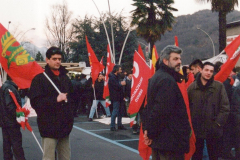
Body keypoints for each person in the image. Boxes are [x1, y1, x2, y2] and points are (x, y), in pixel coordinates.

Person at [143, 45, 191, 160]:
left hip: (163, 141)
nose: (179, 62)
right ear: (165, 61)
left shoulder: (159, 76)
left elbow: (150, 108)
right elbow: (160, 111)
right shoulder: (166, 80)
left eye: (179, 58)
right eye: (175, 59)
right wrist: (150, 133)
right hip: (170, 142)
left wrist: (149, 131)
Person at [28, 46, 74, 160]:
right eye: (54, 58)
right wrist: (55, 100)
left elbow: (73, 98)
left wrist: (70, 116)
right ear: (47, 60)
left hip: (64, 127)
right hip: (48, 127)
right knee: (48, 157)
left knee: (65, 157)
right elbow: (36, 102)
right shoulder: (39, 79)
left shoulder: (65, 78)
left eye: (59, 59)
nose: (58, 61)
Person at [187, 62, 230, 160]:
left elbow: (225, 107)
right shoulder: (192, 88)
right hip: (196, 131)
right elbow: (186, 108)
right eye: (206, 70)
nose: (209, 73)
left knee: (213, 156)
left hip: (213, 131)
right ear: (201, 70)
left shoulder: (219, 87)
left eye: (211, 71)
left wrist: (218, 124)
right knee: (196, 156)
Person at [0, 75, 26, 160]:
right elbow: (10, 107)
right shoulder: (9, 88)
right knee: (17, 146)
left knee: (7, 146)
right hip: (12, 122)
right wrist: (20, 116)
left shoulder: (6, 87)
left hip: (5, 122)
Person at [108, 64, 127, 131]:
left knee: (120, 111)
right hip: (115, 97)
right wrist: (121, 84)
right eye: (120, 69)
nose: (121, 70)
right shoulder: (112, 78)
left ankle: (119, 125)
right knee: (115, 111)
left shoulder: (117, 76)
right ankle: (112, 126)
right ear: (116, 70)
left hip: (120, 96)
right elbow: (115, 86)